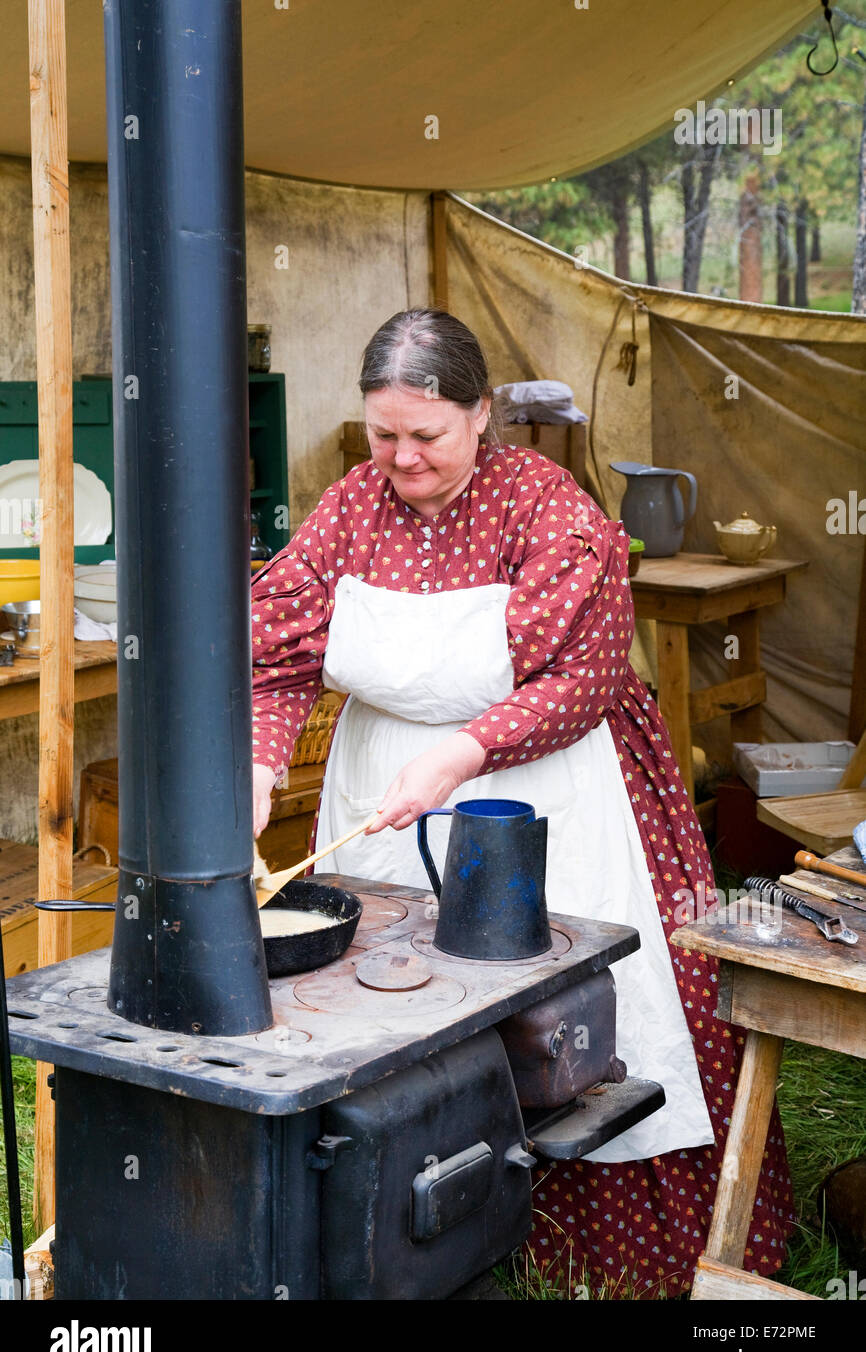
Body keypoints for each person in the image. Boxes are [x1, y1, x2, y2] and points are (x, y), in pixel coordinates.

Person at [251, 307, 793, 1298]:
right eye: (383, 434)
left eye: (426, 435)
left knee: (555, 1015)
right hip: (383, 792)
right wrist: (257, 765)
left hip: (539, 787)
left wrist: (464, 751)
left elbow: (585, 676)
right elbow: (278, 650)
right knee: (382, 999)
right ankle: (403, 1229)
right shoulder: (347, 510)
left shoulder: (544, 506)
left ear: (480, 413)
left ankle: (575, 1256)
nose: (402, 458)